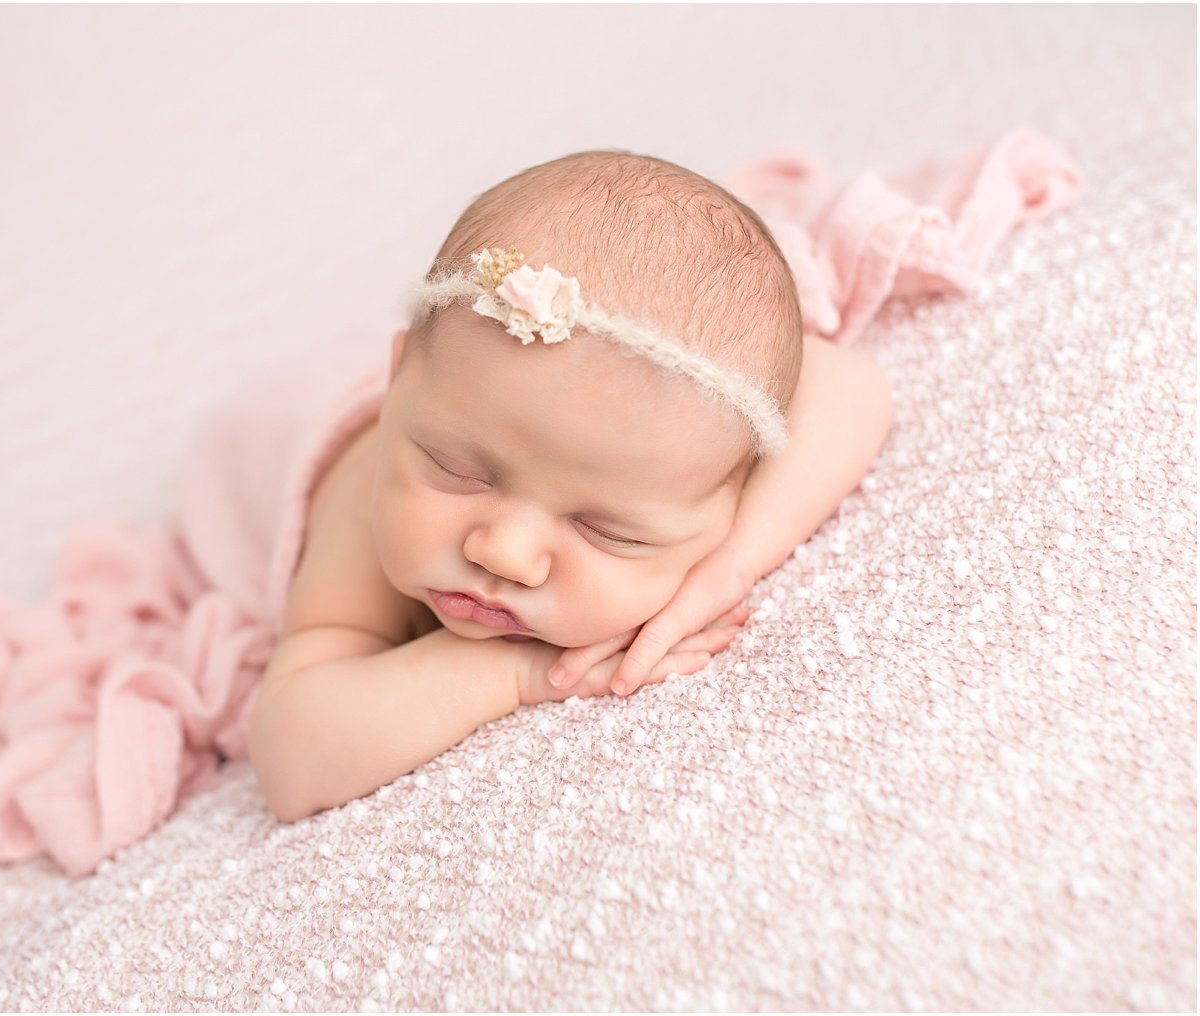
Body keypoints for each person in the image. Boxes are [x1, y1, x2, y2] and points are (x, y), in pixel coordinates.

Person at [246, 150, 893, 822]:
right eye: (458, 472)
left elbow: (855, 386)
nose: (503, 554)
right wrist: (519, 674)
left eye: (605, 528)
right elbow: (291, 757)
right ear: (396, 381)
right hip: (265, 447)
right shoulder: (362, 512)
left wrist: (731, 569)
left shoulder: (682, 440)